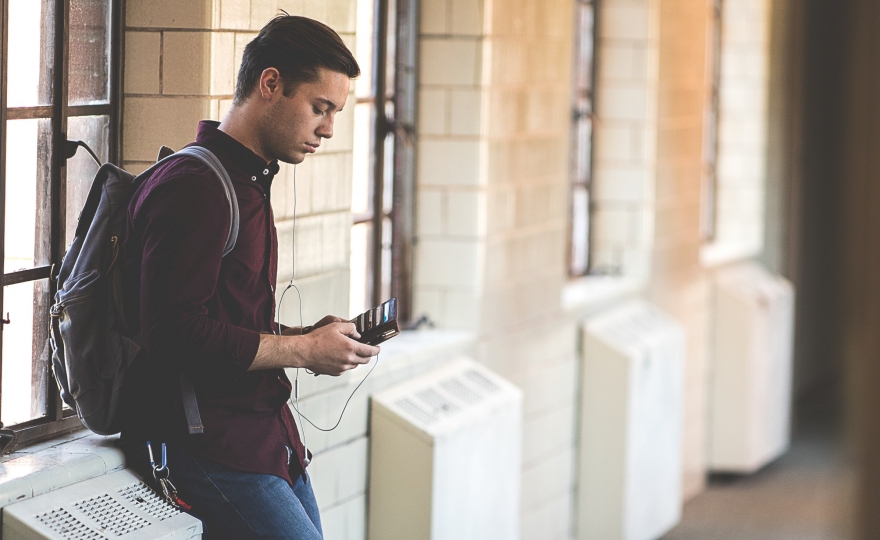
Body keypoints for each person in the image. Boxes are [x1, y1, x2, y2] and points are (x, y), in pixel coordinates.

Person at [118, 15, 378, 540]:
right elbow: (172, 332)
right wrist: (303, 351)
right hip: (210, 445)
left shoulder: (247, 181)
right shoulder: (197, 186)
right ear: (271, 84)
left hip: (263, 440)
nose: (328, 129)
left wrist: (307, 338)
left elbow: (226, 321)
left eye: (335, 112)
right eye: (320, 108)